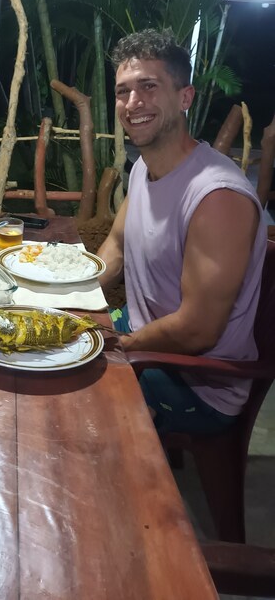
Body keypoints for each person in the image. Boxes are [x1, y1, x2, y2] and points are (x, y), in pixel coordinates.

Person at [97, 29, 267, 435]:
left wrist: (119, 345)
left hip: (198, 382)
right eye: (123, 91)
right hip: (142, 333)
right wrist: (63, 296)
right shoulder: (144, 167)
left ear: (185, 97)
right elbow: (115, 248)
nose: (132, 103)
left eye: (149, 87)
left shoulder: (217, 197)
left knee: (69, 399)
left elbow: (197, 330)